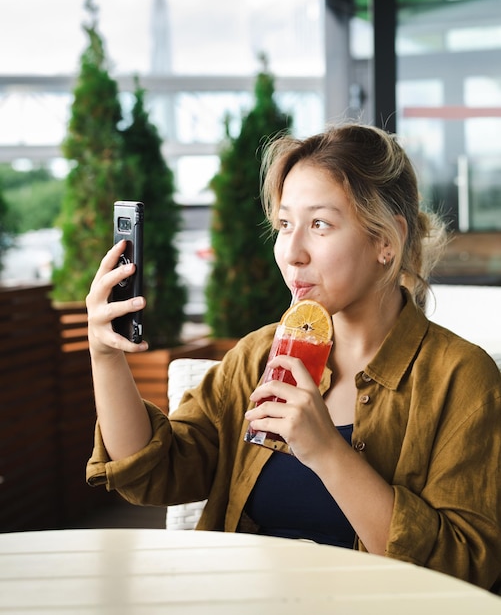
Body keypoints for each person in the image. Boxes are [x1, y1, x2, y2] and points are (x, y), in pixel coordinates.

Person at [86, 123, 501, 591]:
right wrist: (105, 355)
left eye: (319, 224)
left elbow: (464, 571)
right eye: (285, 225)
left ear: (387, 241)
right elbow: (153, 472)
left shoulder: (462, 379)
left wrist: (326, 451)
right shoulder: (257, 356)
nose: (291, 252)